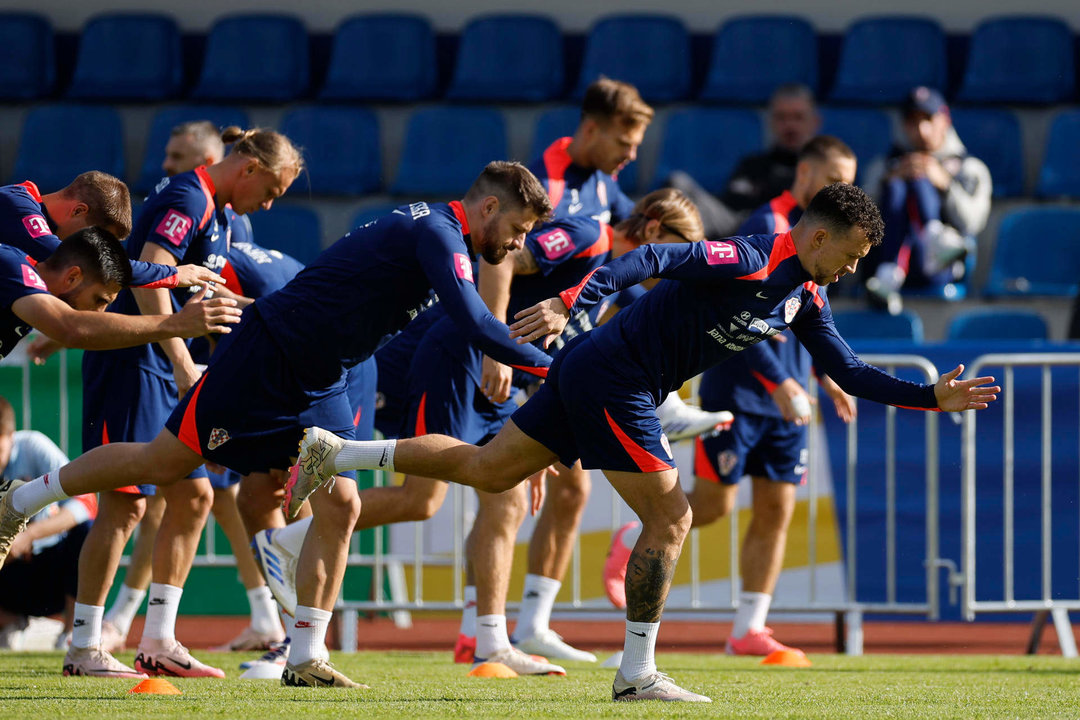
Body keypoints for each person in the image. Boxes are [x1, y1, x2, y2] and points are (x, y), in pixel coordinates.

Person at [287, 183, 999, 703]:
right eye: (852, 254)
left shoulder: (803, 297)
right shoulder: (751, 255)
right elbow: (651, 255)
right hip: (616, 375)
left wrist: (929, 397)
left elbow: (847, 369)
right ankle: (637, 672)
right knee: (673, 517)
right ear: (818, 236)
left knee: (489, 469)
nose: (852, 269)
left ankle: (337, 454)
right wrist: (577, 297)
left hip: (598, 373)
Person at [0, 161, 557, 689]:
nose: (518, 244)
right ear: (488, 207)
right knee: (161, 464)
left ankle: (307, 655)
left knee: (343, 505)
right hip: (267, 355)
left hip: (323, 378)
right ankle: (21, 501)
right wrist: (562, 372)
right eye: (518, 228)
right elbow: (477, 323)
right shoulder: (437, 233)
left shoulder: (438, 230)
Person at [253, 189, 706, 676]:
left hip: (505, 375)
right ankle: (290, 537)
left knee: (506, 493)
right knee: (421, 500)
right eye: (681, 247)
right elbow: (502, 262)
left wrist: (537, 433)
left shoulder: (628, 291)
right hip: (460, 357)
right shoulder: (587, 235)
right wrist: (494, 346)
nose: (681, 264)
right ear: (656, 230)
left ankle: (490, 641)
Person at [605, 136, 859, 658]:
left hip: (788, 395)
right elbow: (742, 318)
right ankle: (637, 534)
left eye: (848, 180)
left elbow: (809, 312)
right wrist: (781, 381)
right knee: (715, 506)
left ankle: (749, 627)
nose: (842, 189)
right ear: (805, 174)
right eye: (834, 178)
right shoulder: (768, 227)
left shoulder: (831, 238)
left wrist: (826, 374)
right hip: (743, 388)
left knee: (777, 508)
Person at [64, 126, 302, 680]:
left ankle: (157, 641)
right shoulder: (187, 196)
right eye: (269, 192)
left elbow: (204, 293)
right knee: (125, 505)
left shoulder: (218, 213)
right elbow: (151, 272)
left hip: (164, 360)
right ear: (248, 169)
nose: (267, 205)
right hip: (133, 357)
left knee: (193, 497)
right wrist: (181, 362)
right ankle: (84, 647)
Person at [513, 80, 724, 663]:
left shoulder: (602, 187)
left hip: (545, 355)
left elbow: (623, 260)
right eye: (626, 141)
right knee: (479, 489)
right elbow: (505, 259)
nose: (633, 154)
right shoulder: (549, 187)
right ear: (592, 129)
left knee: (553, 485)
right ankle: (480, 635)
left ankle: (527, 625)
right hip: (506, 347)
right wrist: (492, 350)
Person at [861, 87, 992, 313]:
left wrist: (945, 185)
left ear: (945, 119)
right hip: (882, 261)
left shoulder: (969, 168)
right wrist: (885, 184)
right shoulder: (883, 168)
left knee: (918, 180)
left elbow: (972, 223)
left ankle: (930, 245)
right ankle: (890, 269)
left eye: (929, 119)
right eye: (912, 121)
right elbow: (858, 222)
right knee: (897, 186)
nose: (922, 129)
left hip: (939, 266)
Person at [0, 171, 227, 290]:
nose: (91, 244)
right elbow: (80, 259)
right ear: (79, 210)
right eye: (92, 237)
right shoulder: (15, 205)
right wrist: (174, 274)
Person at [667, 83, 821, 238]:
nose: (790, 126)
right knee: (677, 184)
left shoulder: (822, 170)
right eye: (781, 117)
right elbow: (731, 205)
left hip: (788, 234)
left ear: (815, 122)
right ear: (771, 122)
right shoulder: (753, 163)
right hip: (736, 227)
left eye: (798, 117)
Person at [0, 397, 85, 648]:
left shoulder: (34, 446)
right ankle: (17, 624)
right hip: (9, 575)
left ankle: (71, 635)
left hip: (50, 568)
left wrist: (28, 536)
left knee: (86, 530)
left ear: (11, 435)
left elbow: (86, 503)